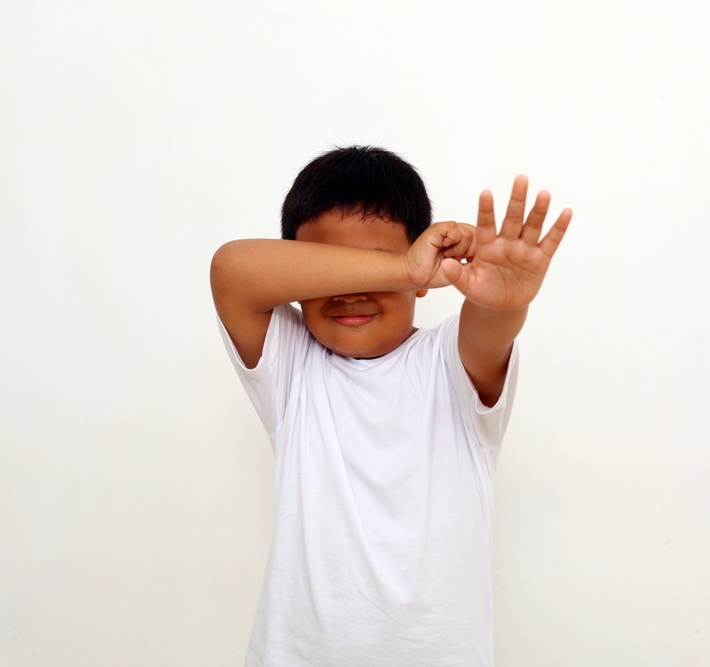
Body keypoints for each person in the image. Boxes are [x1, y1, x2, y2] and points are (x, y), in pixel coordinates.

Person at [210, 146, 571, 667]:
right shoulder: (293, 368)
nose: (352, 290)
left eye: (379, 265)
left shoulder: (448, 363)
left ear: (426, 279)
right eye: (332, 270)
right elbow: (232, 269)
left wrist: (502, 299)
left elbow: (488, 330)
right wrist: (399, 267)